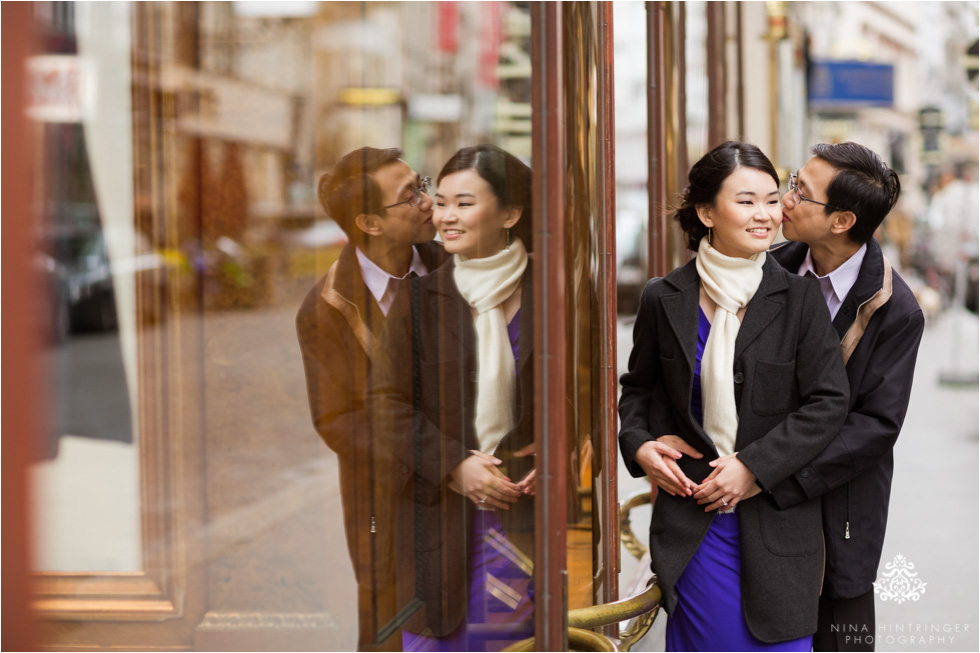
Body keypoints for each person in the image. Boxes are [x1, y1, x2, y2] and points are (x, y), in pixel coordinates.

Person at [618, 141, 850, 651]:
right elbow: (637, 392)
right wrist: (639, 445)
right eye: (746, 201)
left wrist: (754, 467)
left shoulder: (800, 299)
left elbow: (828, 403)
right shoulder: (664, 297)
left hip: (776, 527)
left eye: (771, 199)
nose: (765, 214)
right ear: (706, 212)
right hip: (693, 527)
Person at [370, 144, 536, 652]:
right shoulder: (418, 301)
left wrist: (567, 447)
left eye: (464, 203)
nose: (445, 216)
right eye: (440, 202)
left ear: (509, 213)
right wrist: (452, 465)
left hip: (528, 522)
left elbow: (590, 392)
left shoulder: (556, 297)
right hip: (440, 525)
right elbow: (384, 405)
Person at [769, 142, 925, 652]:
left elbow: (875, 426)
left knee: (840, 632)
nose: (784, 199)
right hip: (755, 496)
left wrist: (775, 476)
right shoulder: (768, 271)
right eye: (793, 182)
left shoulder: (895, 309)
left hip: (838, 506)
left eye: (800, 193)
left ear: (841, 221)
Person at [295, 146, 448, 651]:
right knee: (392, 623)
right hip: (389, 500)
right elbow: (338, 421)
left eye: (421, 184)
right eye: (410, 196)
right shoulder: (326, 307)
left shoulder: (458, 266)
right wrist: (438, 460)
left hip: (478, 489)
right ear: (369, 223)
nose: (429, 201)